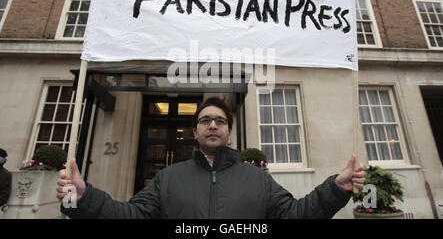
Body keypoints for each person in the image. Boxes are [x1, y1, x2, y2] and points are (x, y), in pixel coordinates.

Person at [57, 97, 366, 218]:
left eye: (220, 120)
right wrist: (81, 199)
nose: (213, 125)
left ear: (229, 131)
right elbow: (128, 217)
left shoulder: (257, 178)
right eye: (205, 120)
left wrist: (336, 189)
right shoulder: (168, 178)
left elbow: (296, 216)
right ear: (195, 132)